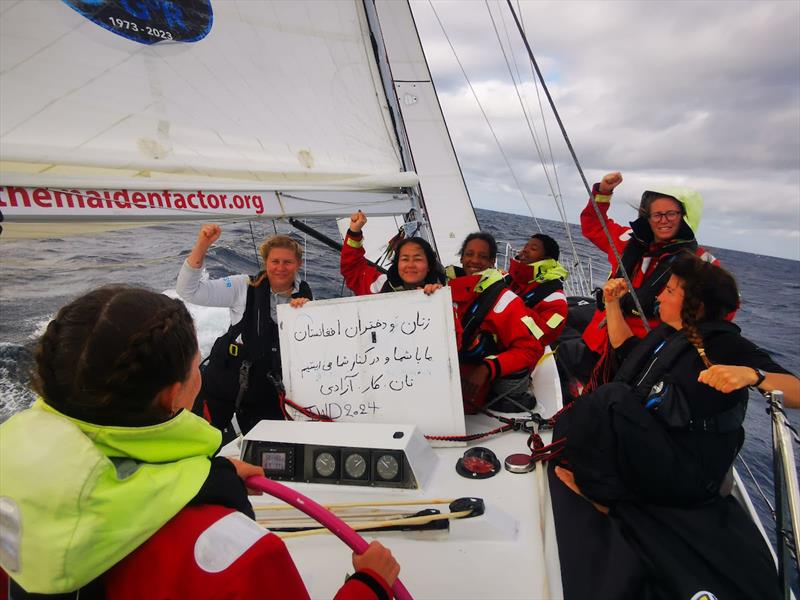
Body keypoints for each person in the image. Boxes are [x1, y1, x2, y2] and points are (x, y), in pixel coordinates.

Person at [0, 285, 399, 600]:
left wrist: (210, 477)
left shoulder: (14, 488)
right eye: (197, 364)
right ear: (174, 396)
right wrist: (370, 585)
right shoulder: (239, 554)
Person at [548, 254, 796, 599]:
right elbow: (625, 348)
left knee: (611, 400)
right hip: (661, 451)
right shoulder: (669, 333)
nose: (660, 296)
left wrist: (754, 375)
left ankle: (603, 496)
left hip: (688, 473)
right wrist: (611, 303)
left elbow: (795, 389)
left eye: (669, 290)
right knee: (601, 403)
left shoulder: (725, 344)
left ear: (695, 303)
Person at [560, 171, 721, 397]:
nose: (662, 220)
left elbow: (725, 307)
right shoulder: (627, 242)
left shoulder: (702, 265)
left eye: (671, 214)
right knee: (568, 370)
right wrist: (604, 192)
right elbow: (594, 226)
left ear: (686, 216)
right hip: (597, 341)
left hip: (637, 355)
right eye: (656, 214)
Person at [177, 224, 313, 434]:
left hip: (266, 391)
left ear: (299, 264)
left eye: (288, 262)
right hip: (223, 381)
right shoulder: (242, 286)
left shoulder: (308, 302)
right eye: (274, 261)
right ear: (265, 262)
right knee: (199, 438)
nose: (280, 267)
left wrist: (306, 313)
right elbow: (189, 291)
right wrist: (203, 245)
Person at [437, 232, 543, 412]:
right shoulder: (442, 289)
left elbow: (531, 349)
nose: (474, 261)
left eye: (483, 256)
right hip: (436, 378)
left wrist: (488, 368)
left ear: (492, 261)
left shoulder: (507, 301)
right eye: (469, 254)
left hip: (466, 393)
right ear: (461, 258)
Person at [341, 211, 446, 295]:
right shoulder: (379, 286)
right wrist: (354, 232)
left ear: (429, 265)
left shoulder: (444, 293)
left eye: (417, 259)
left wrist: (437, 298)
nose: (410, 265)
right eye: (405, 259)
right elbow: (352, 270)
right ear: (397, 264)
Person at [506, 233, 569, 349]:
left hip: (518, 349)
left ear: (547, 259)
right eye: (525, 246)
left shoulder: (557, 302)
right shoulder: (511, 279)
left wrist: (513, 307)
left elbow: (545, 334)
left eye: (533, 248)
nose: (525, 250)